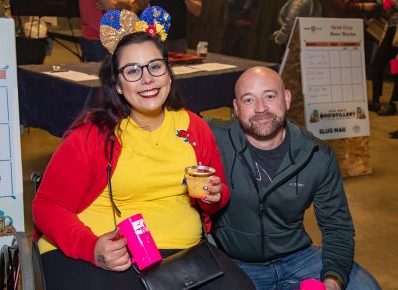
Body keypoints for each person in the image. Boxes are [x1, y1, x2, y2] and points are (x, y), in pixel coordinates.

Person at [32, 7, 233, 290]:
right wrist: (91, 247)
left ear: (168, 72)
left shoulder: (195, 128)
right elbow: (47, 205)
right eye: (132, 71)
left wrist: (213, 196)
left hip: (185, 255)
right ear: (117, 84)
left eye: (155, 66)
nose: (147, 79)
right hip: (107, 252)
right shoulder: (92, 136)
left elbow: (219, 192)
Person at [209, 66, 382, 290]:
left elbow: (336, 227)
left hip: (297, 258)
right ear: (236, 108)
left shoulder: (317, 155)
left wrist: (333, 281)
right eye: (249, 100)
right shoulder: (214, 139)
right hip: (237, 263)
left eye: (270, 96)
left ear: (287, 98)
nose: (261, 108)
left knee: (366, 287)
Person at [79, 0, 149, 62]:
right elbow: (111, 10)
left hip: (97, 36)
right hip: (99, 38)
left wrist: (116, 3)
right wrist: (117, 4)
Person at [368, 3, 398, 115]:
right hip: (390, 30)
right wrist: (387, 3)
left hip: (397, 35)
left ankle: (393, 104)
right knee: (376, 66)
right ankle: (376, 101)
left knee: (396, 70)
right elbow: (387, 11)